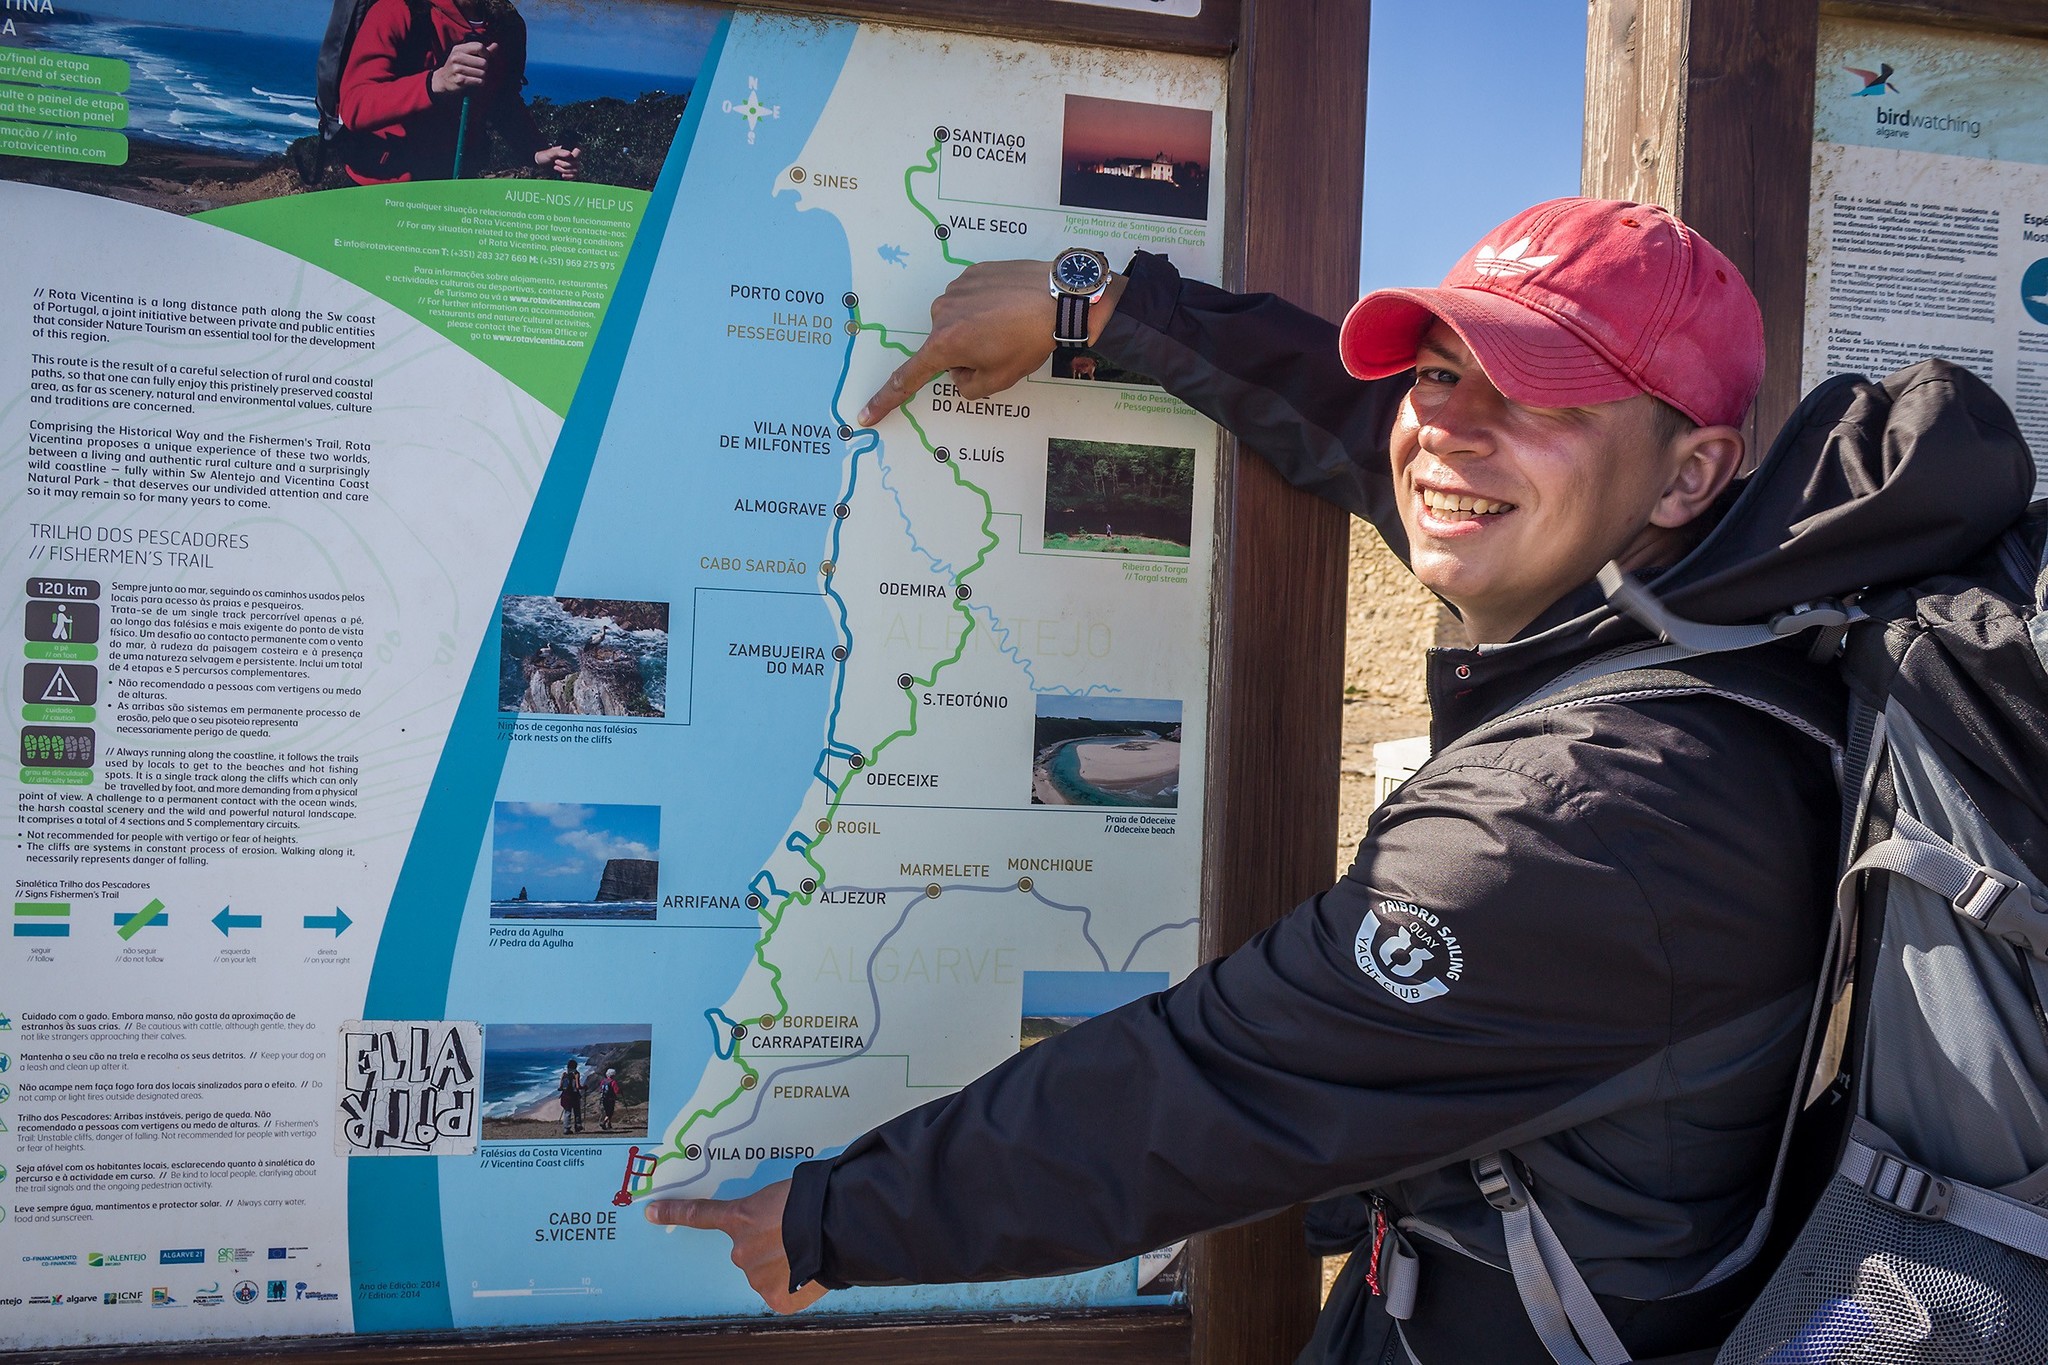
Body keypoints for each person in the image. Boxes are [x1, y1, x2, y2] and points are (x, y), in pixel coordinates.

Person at [644, 199, 2024, 1362]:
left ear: (1691, 471)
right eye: (1441, 371)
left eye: (1540, 393)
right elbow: (1389, 439)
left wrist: (835, 1217)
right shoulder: (1735, 598)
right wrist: (1102, 313)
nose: (1451, 432)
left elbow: (1203, 1087)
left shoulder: (1583, 819)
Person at [337, 0, 580, 185]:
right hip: (381, 187)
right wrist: (435, 82)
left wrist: (536, 152)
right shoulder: (397, 9)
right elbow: (354, 107)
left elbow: (503, 100)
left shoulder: (508, 24)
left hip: (455, 186)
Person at [558, 1058, 583, 1136]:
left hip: (565, 1096)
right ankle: (578, 1126)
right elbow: (578, 1086)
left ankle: (566, 1128)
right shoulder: (576, 1074)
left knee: (567, 1112)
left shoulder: (564, 1074)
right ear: (575, 1066)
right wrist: (584, 1087)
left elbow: (560, 1086)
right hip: (574, 1095)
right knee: (577, 1111)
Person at [598, 1067, 621, 1133]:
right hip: (610, 1099)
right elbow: (616, 1091)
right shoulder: (613, 1082)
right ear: (613, 1075)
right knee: (610, 1112)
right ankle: (604, 1122)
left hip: (604, 1098)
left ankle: (609, 1124)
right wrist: (620, 1091)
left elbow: (600, 1089)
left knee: (607, 1111)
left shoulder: (603, 1081)